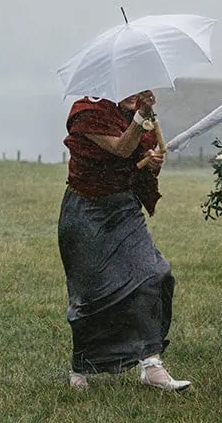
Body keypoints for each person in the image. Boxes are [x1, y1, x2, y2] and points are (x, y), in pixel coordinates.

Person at [59, 89, 189, 392]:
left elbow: (137, 157)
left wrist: (152, 161)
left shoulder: (134, 113)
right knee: (91, 294)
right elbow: (119, 149)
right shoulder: (87, 111)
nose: (138, 91)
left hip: (123, 208)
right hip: (86, 210)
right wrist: (140, 116)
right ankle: (82, 366)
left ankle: (151, 364)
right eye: (131, 87)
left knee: (154, 275)